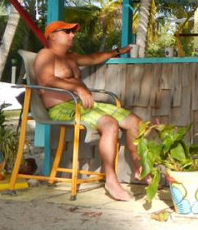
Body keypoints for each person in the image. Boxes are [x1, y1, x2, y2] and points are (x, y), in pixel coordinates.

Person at [34, 20, 143, 201]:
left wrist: (118, 51)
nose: (72, 35)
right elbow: (46, 80)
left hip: (85, 106)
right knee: (110, 124)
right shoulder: (45, 54)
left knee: (135, 121)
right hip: (62, 108)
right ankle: (111, 180)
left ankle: (140, 166)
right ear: (52, 35)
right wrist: (78, 88)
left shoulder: (71, 57)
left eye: (73, 32)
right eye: (67, 31)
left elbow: (94, 58)